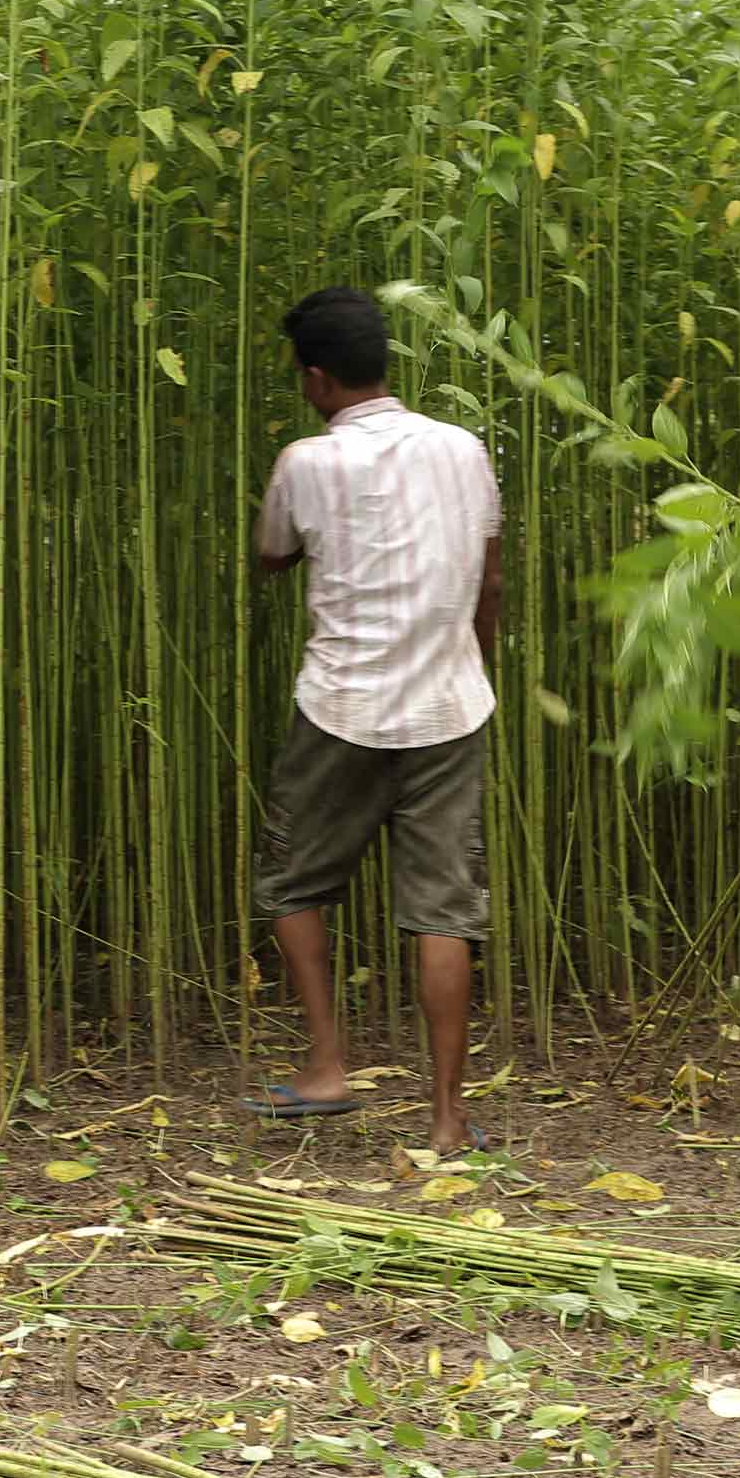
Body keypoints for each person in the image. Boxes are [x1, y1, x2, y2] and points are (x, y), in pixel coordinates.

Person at [242, 286, 505, 1156]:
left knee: (290, 884)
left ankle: (327, 1066)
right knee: (444, 911)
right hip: (449, 707)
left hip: (340, 707)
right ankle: (448, 1117)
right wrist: (473, 666)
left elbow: (271, 554)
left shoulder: (304, 463)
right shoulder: (464, 449)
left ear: (318, 379)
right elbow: (490, 580)